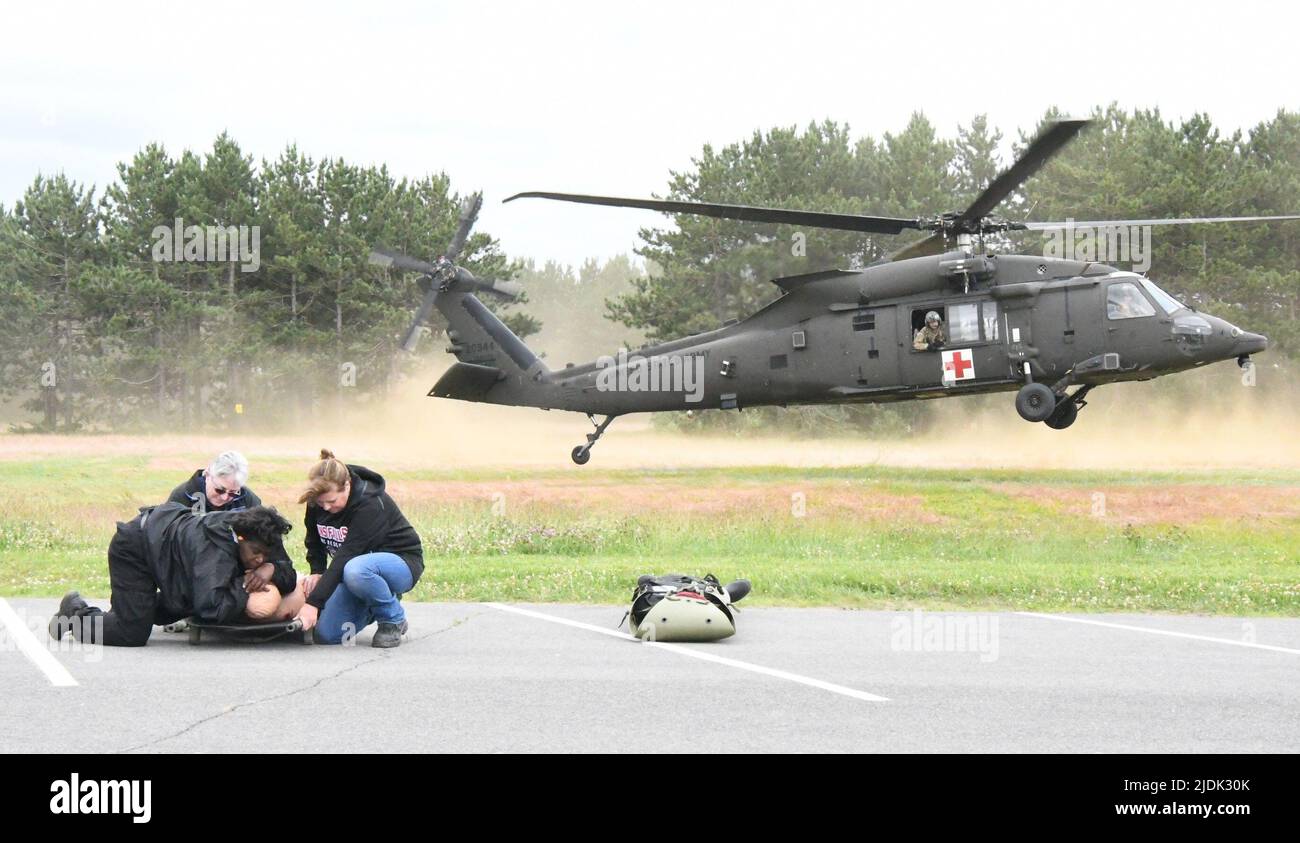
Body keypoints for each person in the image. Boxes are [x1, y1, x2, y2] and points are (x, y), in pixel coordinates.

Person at [49, 504, 297, 647]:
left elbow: (289, 574)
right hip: (136, 546)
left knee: (176, 604)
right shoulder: (214, 549)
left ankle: (131, 610)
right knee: (131, 633)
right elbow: (210, 608)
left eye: (265, 555)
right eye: (256, 554)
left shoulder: (263, 535)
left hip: (169, 551)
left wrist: (271, 569)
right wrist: (243, 583)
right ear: (239, 538)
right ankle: (75, 612)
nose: (259, 559)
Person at [295, 450, 424, 648]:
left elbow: (346, 556)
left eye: (332, 501)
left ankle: (392, 618)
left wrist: (313, 604)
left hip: (400, 564)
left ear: (347, 485)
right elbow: (314, 540)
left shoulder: (370, 504)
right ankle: (373, 599)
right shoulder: (317, 502)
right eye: (321, 503)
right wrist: (317, 571)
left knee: (356, 569)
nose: (326, 507)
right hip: (354, 572)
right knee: (326, 635)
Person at [167, 451, 262, 514]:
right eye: (220, 490)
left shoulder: (248, 500)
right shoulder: (182, 497)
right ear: (207, 475)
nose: (225, 497)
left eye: (232, 493)